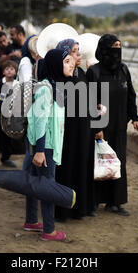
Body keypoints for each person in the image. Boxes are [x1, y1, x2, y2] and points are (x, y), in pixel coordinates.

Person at [86, 34, 138, 216]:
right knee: (97, 162)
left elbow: (131, 95)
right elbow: (90, 101)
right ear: (104, 49)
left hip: (119, 126)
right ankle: (93, 201)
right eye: (113, 46)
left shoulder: (123, 70)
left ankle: (115, 202)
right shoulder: (94, 72)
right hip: (101, 126)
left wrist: (135, 117)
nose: (117, 50)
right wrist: (96, 127)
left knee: (118, 162)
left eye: (119, 46)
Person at [23, 49, 75, 241]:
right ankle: (49, 230)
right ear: (55, 65)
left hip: (44, 144)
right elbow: (40, 121)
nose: (72, 64)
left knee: (34, 181)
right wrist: (40, 150)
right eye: (67, 61)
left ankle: (31, 221)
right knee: (47, 186)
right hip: (46, 146)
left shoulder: (56, 86)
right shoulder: (46, 89)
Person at [54, 39, 96, 221]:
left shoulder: (83, 73)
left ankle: (80, 208)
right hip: (67, 129)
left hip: (84, 128)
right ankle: (63, 210)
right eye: (74, 51)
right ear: (65, 54)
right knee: (67, 166)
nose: (78, 54)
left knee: (82, 165)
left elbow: (91, 100)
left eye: (79, 50)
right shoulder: (59, 75)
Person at [0, 60, 19, 168]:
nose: (9, 71)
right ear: (3, 72)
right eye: (7, 69)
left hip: (10, 117)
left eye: (12, 69)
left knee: (7, 138)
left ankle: (5, 158)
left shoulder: (18, 85)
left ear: (15, 72)